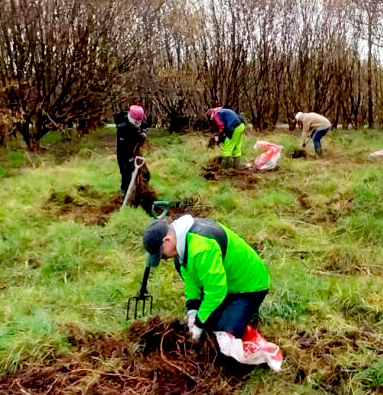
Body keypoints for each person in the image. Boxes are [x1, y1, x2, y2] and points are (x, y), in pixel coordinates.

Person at [142, 215, 283, 371]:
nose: (163, 258)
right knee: (209, 320)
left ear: (167, 240)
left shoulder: (202, 247)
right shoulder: (181, 247)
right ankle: (227, 312)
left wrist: (199, 322)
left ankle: (243, 315)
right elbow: (192, 281)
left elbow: (216, 291)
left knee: (224, 336)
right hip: (223, 283)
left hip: (247, 287)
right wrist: (192, 310)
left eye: (161, 254)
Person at [114, 104, 150, 194]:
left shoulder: (141, 123)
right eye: (136, 121)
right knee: (126, 176)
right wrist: (129, 159)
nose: (138, 122)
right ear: (131, 117)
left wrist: (142, 133)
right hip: (124, 155)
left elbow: (144, 128)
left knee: (145, 174)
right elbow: (122, 147)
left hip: (136, 153)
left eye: (139, 120)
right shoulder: (122, 128)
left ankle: (143, 192)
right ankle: (124, 195)